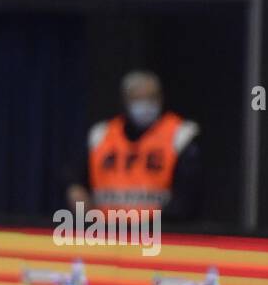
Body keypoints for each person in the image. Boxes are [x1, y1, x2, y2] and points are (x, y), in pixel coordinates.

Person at [66, 70, 201, 222]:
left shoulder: (180, 135)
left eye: (151, 97)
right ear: (125, 100)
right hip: (105, 230)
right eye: (138, 99)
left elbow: (187, 197)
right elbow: (75, 180)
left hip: (159, 232)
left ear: (161, 98)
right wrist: (78, 195)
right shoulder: (100, 134)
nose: (145, 105)